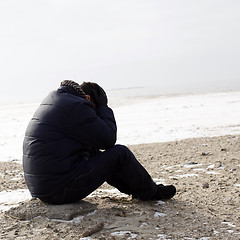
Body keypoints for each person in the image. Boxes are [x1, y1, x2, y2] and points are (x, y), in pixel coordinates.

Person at [23, 80, 176, 204]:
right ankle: (150, 193)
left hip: (43, 189)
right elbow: (108, 139)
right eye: (94, 109)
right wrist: (104, 107)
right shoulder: (79, 105)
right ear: (88, 98)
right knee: (120, 153)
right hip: (58, 191)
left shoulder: (58, 99)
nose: (95, 114)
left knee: (94, 152)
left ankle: (141, 190)